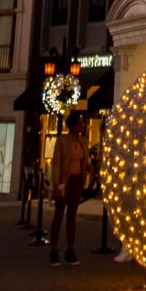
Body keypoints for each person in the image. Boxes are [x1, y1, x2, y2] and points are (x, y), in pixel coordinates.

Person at [49, 113, 90, 265]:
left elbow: (85, 160)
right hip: (65, 180)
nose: (82, 126)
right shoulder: (62, 141)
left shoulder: (83, 142)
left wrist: (88, 171)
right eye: (79, 124)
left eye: (82, 124)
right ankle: (54, 249)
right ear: (72, 126)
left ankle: (70, 249)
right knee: (59, 215)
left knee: (72, 215)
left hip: (77, 180)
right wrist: (57, 183)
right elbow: (56, 162)